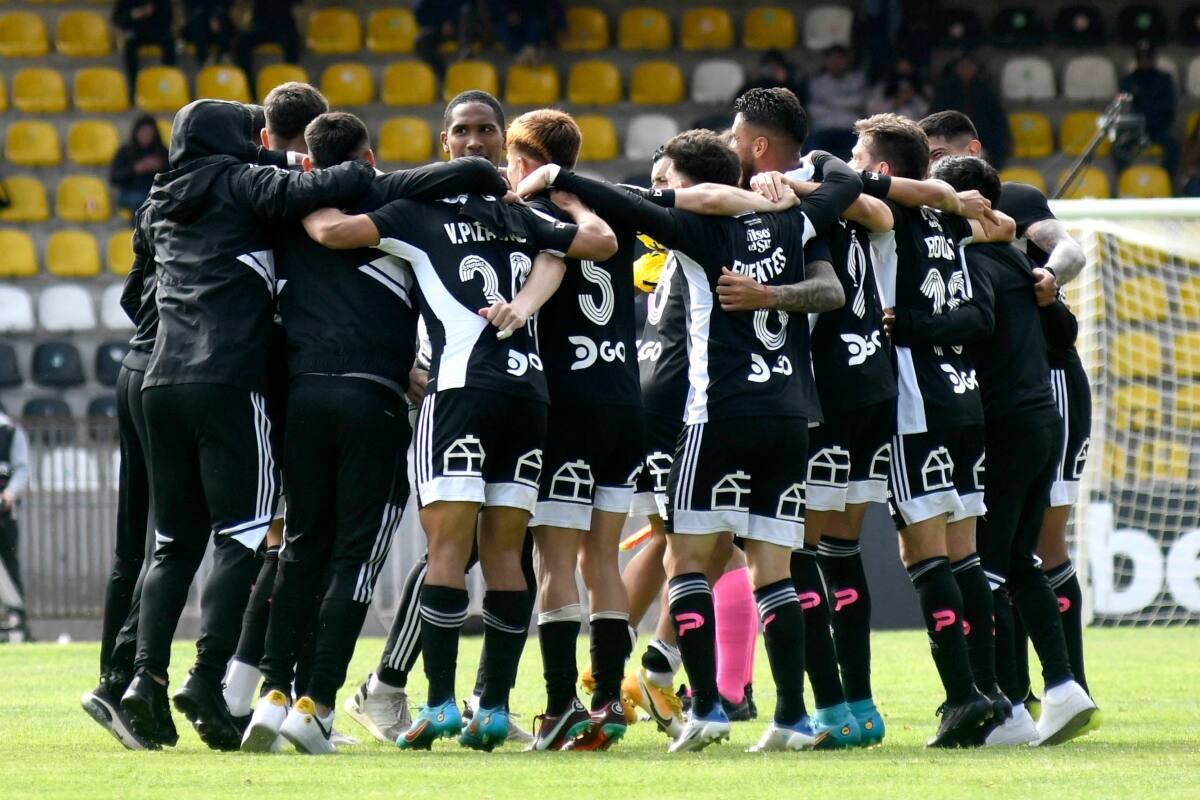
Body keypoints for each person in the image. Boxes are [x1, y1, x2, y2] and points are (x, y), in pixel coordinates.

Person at [519, 131, 859, 753]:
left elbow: (626, 203)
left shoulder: (697, 231)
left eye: (671, 182)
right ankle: (791, 717)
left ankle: (706, 707)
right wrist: (793, 180)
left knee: (688, 560)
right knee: (773, 571)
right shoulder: (795, 222)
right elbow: (844, 180)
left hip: (716, 414)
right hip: (790, 415)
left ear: (694, 187)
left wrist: (553, 179)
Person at [304, 134, 618, 755]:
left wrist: (305, 193)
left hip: (457, 391)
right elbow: (598, 243)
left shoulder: (418, 213)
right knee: (506, 554)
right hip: (528, 397)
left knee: (447, 550)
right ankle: (493, 707)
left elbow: (331, 232)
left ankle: (441, 703)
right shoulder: (521, 216)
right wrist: (566, 209)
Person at [240, 112, 511, 755]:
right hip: (374, 398)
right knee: (354, 559)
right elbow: (470, 172)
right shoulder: (396, 205)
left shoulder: (288, 210)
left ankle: (272, 695)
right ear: (368, 157)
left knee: (300, 549)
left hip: (304, 397)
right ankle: (317, 704)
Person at [118, 99, 377, 752]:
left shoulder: (160, 201)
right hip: (229, 379)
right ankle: (207, 678)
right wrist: (355, 168)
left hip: (160, 383)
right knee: (242, 536)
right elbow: (323, 186)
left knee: (172, 544)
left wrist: (272, 154)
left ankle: (145, 680)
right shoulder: (241, 182)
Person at [342, 91, 536, 748]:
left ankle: (466, 699)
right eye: (462, 131)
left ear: (504, 140)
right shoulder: (426, 209)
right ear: (444, 141)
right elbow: (364, 278)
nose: (475, 141)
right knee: (462, 549)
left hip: (502, 392)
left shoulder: (524, 212)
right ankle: (409, 689)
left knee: (488, 551)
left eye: (486, 130)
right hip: (468, 387)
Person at [891, 154, 1099, 747]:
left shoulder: (975, 260)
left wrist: (903, 324)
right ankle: (1063, 687)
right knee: (1020, 559)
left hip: (1005, 424)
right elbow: (1065, 332)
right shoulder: (1017, 259)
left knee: (984, 565)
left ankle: (1007, 708)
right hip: (1042, 419)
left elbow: (976, 323)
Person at [730, 86, 896, 746]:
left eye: (736, 137)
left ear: (759, 144)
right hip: (874, 382)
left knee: (790, 553)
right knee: (841, 552)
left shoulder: (782, 202)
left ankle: (825, 710)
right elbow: (880, 213)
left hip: (823, 392)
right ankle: (860, 707)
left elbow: (823, 287)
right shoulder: (839, 184)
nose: (731, 148)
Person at [847, 113, 1016, 747]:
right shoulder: (950, 221)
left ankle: (962, 694)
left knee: (923, 553)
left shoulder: (889, 214)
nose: (851, 161)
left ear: (881, 168)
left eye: (860, 153)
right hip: (965, 397)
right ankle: (989, 689)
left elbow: (842, 184)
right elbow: (1002, 230)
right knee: (964, 551)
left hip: (915, 401)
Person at [79, 208, 160, 750]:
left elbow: (132, 296)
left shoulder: (157, 205)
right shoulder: (233, 200)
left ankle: (111, 670)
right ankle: (125, 682)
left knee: (131, 543)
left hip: (134, 365)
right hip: (172, 373)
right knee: (176, 539)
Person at [930, 53, 1010, 169]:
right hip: (951, 140)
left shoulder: (985, 90)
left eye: (969, 67)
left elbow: (997, 118)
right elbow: (936, 116)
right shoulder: (946, 90)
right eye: (962, 67)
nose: (966, 70)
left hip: (982, 140)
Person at [1119, 41, 1179, 180]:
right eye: (1142, 57)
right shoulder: (1128, 81)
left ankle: (1166, 180)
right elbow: (1126, 107)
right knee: (1119, 146)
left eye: (1148, 57)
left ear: (1154, 58)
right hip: (1135, 129)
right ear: (1137, 59)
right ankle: (1125, 179)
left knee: (1173, 145)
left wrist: (1146, 111)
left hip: (1159, 128)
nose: (1145, 61)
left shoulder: (1165, 79)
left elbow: (1169, 106)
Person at [805, 46, 868, 159]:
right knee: (811, 148)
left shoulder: (857, 79)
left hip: (850, 128)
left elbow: (860, 101)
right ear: (826, 61)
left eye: (839, 59)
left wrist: (831, 103)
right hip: (825, 128)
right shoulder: (817, 82)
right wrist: (845, 103)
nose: (836, 63)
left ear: (847, 60)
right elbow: (813, 108)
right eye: (832, 59)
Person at [0, 412, 30, 642]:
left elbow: (22, 468)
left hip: (4, 514)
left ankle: (18, 623)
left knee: (9, 566)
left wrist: (9, 494)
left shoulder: (9, 431)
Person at [111, 116, 169, 216]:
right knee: (142, 201)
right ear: (136, 133)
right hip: (130, 192)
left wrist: (160, 168)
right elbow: (115, 178)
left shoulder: (162, 152)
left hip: (154, 191)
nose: (146, 136)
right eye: (143, 133)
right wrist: (134, 169)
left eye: (149, 134)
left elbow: (173, 177)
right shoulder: (125, 151)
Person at [113, 0, 176, 91]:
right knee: (129, 45)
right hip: (136, 31)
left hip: (157, 30)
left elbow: (169, 19)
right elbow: (117, 19)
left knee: (169, 41)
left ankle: (169, 78)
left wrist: (152, 13)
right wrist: (132, 15)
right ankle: (133, 85)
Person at [235, 0, 301, 86]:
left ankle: (290, 79)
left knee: (293, 42)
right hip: (260, 25)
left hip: (284, 25)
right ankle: (247, 81)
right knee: (242, 42)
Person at [866, 57, 931, 120]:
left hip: (913, 123)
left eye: (907, 66)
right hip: (888, 123)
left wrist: (911, 97)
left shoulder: (921, 87)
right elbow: (871, 108)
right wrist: (897, 102)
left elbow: (925, 111)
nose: (904, 69)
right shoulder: (883, 87)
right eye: (901, 68)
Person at [735, 49, 808, 106]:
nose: (771, 71)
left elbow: (799, 103)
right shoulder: (758, 83)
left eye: (775, 67)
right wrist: (752, 81)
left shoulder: (792, 81)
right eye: (769, 68)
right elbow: (738, 100)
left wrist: (784, 81)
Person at [183, 0, 234, 68]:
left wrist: (215, 16)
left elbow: (226, 4)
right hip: (200, 19)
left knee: (223, 19)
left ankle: (225, 55)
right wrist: (210, 17)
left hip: (219, 18)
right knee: (199, 21)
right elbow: (192, 7)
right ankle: (204, 59)